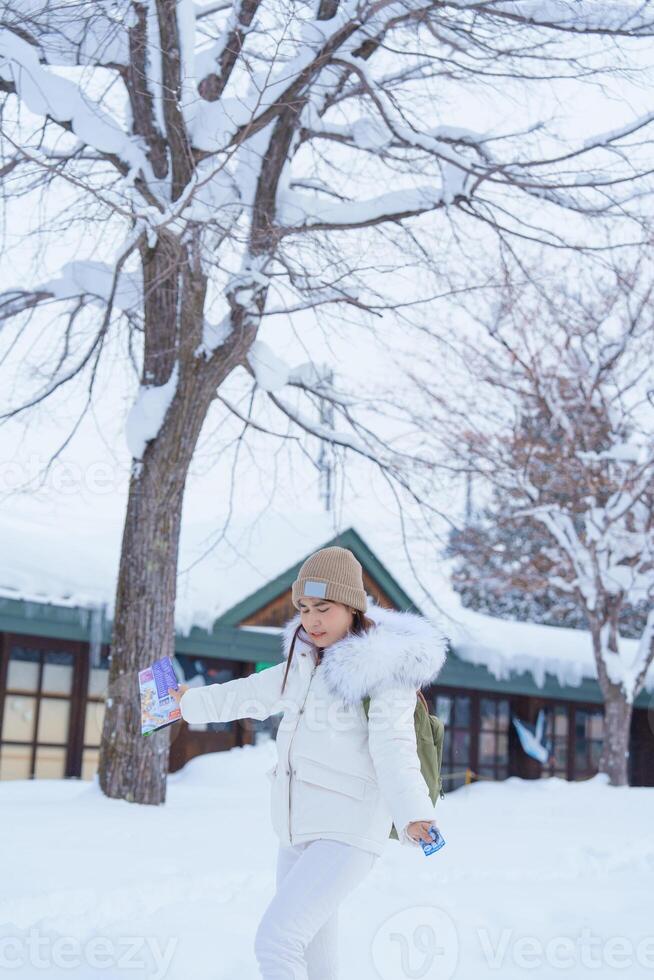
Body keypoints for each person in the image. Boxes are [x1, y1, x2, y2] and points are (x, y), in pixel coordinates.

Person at [169, 545, 449, 979]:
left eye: (324, 607)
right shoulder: (300, 663)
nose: (312, 619)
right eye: (303, 608)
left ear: (352, 607)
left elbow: (394, 746)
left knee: (277, 942)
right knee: (317, 963)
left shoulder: (383, 670)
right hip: (297, 829)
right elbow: (244, 693)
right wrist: (187, 703)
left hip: (349, 829)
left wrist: (414, 813)